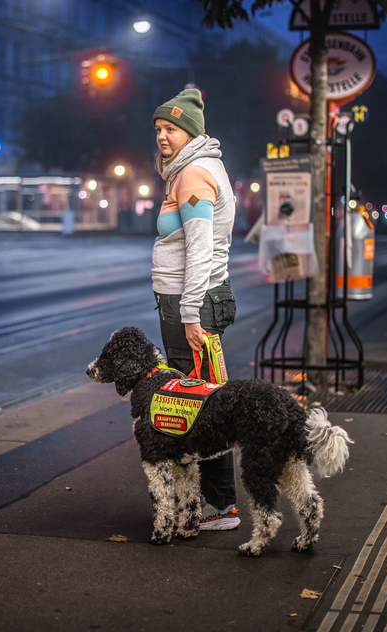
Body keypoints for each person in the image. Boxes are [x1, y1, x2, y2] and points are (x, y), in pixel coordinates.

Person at [151, 89, 239, 530]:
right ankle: (216, 503)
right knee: (207, 399)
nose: (162, 137)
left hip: (193, 304)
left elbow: (201, 249)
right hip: (202, 299)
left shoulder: (193, 175)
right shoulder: (200, 168)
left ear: (191, 132)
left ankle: (220, 506)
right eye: (159, 129)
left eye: (170, 129)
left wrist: (188, 314)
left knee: (199, 405)